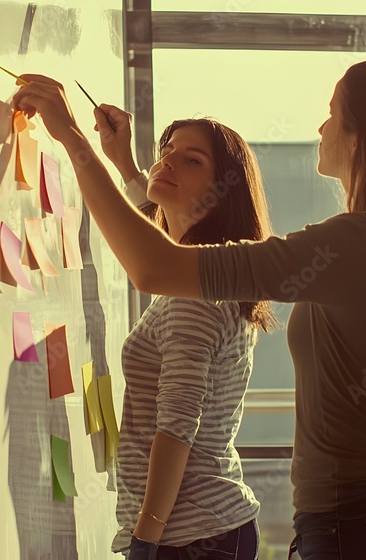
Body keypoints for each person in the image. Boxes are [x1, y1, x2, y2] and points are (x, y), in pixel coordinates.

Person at [12, 56, 366, 559]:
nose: (321, 126)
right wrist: (128, 169)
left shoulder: (362, 242)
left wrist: (72, 138)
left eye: (333, 113)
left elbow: (160, 267)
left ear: (363, 135)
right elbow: (181, 246)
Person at [99, 115, 275, 559]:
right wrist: (125, 165)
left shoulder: (194, 299)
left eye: (191, 160)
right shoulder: (200, 279)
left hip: (192, 539)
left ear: (222, 196)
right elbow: (156, 245)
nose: (168, 162)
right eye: (167, 152)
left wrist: (146, 538)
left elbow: (177, 425)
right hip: (198, 532)